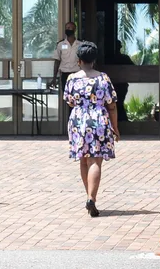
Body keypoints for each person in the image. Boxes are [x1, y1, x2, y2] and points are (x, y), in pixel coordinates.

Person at [63, 41, 120, 218]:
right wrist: (115, 127)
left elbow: (69, 102)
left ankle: (89, 195)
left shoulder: (72, 79)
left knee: (83, 160)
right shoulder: (103, 78)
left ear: (79, 60)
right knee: (95, 161)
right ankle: (91, 198)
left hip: (78, 121)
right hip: (99, 120)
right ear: (94, 60)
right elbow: (112, 105)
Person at [50, 22, 82, 121]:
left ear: (75, 30)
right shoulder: (60, 45)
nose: (68, 29)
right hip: (65, 76)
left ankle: (77, 120)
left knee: (78, 99)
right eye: (67, 27)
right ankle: (71, 121)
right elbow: (57, 61)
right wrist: (54, 78)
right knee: (69, 100)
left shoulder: (80, 44)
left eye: (70, 28)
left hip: (77, 76)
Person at [111, 40, 134, 122]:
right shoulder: (123, 58)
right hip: (117, 86)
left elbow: (134, 70)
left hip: (121, 86)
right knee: (118, 105)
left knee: (118, 105)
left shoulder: (124, 58)